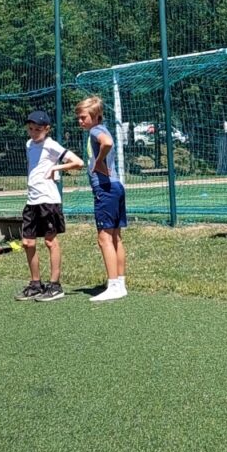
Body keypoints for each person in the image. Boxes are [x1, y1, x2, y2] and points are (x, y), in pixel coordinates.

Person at [16, 110, 83, 302]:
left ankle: (55, 285)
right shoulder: (29, 144)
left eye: (38, 129)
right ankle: (36, 284)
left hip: (49, 200)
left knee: (49, 241)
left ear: (47, 129)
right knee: (27, 242)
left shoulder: (51, 145)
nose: (34, 132)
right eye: (30, 129)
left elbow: (77, 162)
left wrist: (56, 167)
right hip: (32, 201)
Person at [75, 96, 128, 301]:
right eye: (78, 118)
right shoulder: (102, 129)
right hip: (116, 187)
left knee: (104, 238)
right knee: (115, 237)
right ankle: (119, 283)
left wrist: (98, 162)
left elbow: (107, 144)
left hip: (105, 188)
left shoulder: (97, 131)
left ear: (96, 117)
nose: (80, 121)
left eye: (83, 117)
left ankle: (113, 285)